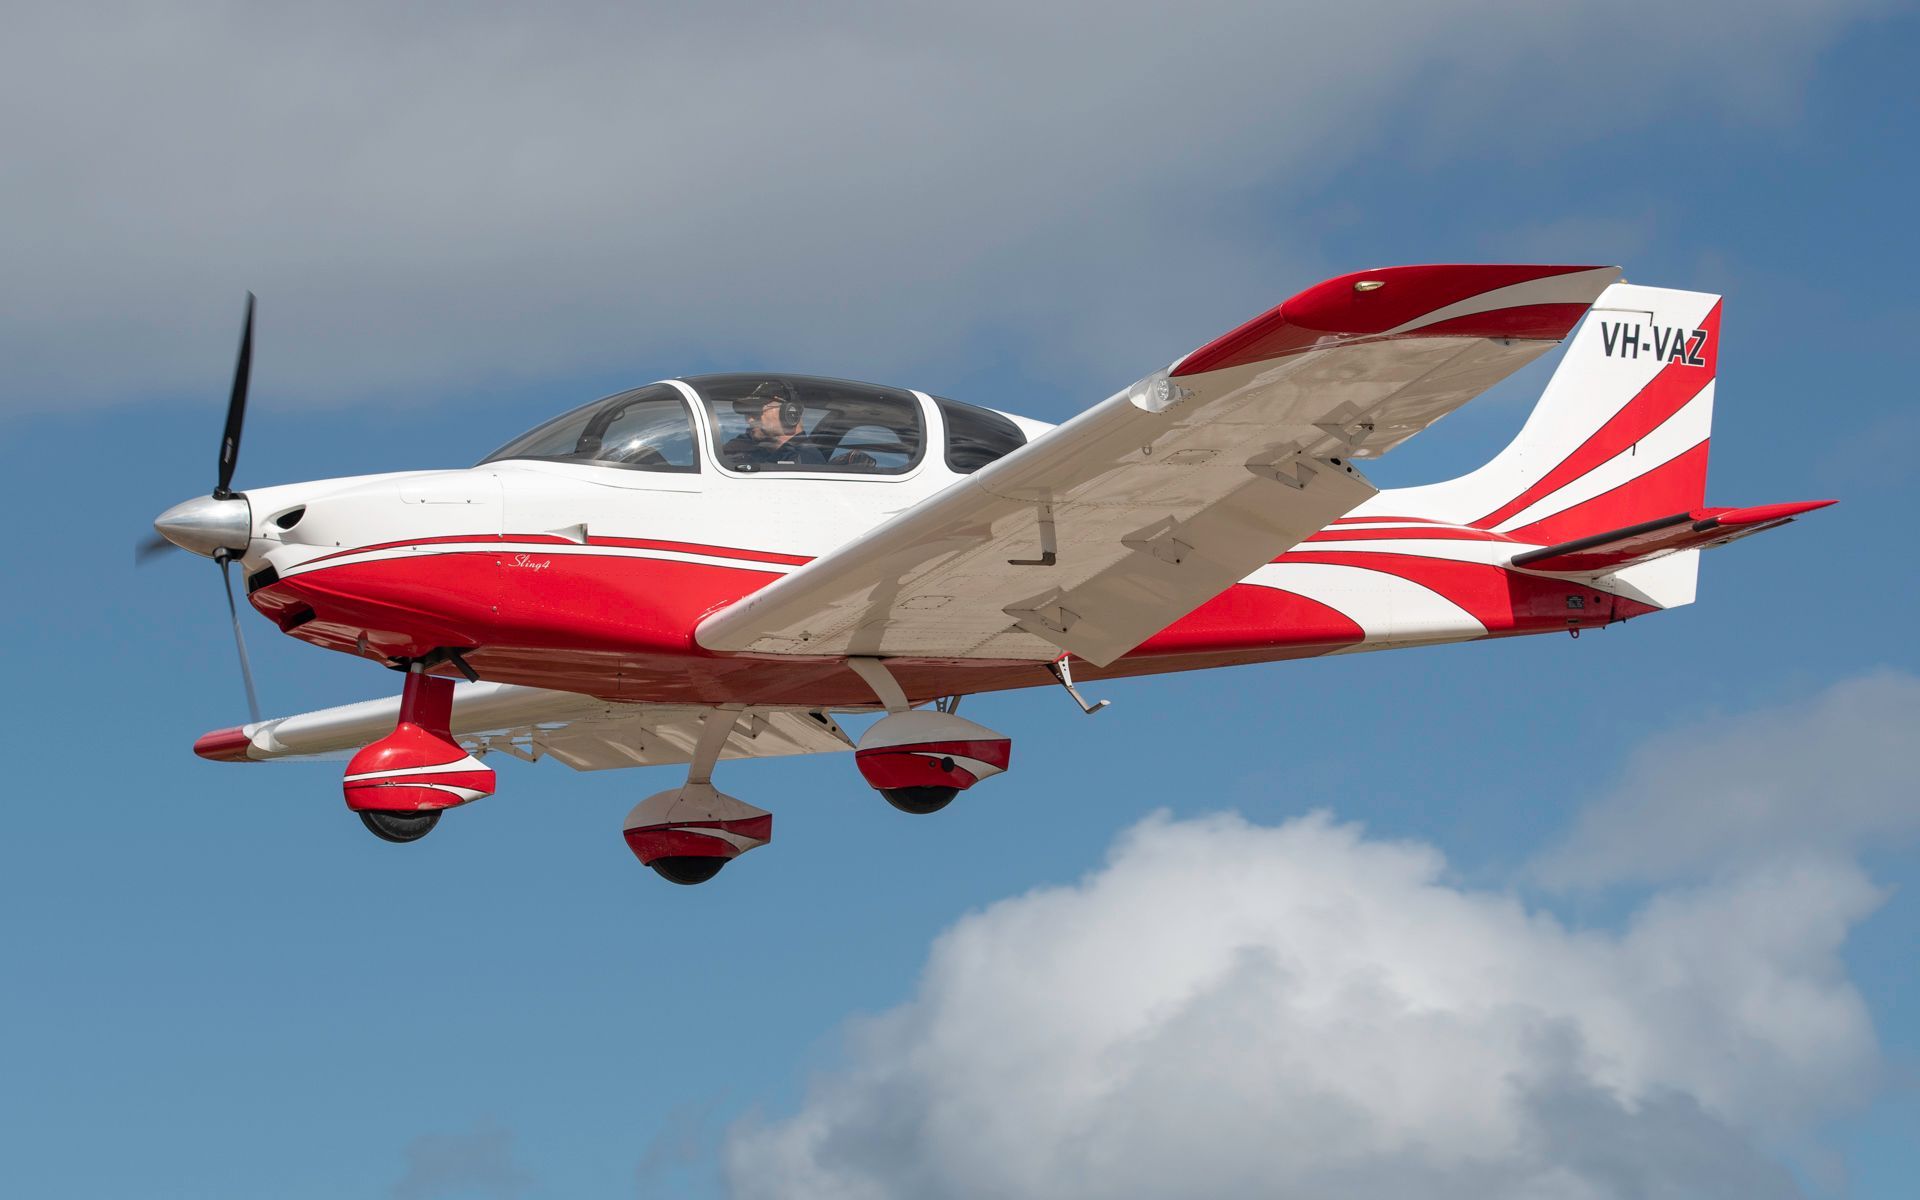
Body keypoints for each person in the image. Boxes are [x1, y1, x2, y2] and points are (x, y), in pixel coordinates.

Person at [722, 381, 826, 469]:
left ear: (789, 413)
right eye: (748, 414)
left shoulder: (805, 460)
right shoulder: (753, 447)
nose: (749, 420)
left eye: (757, 412)